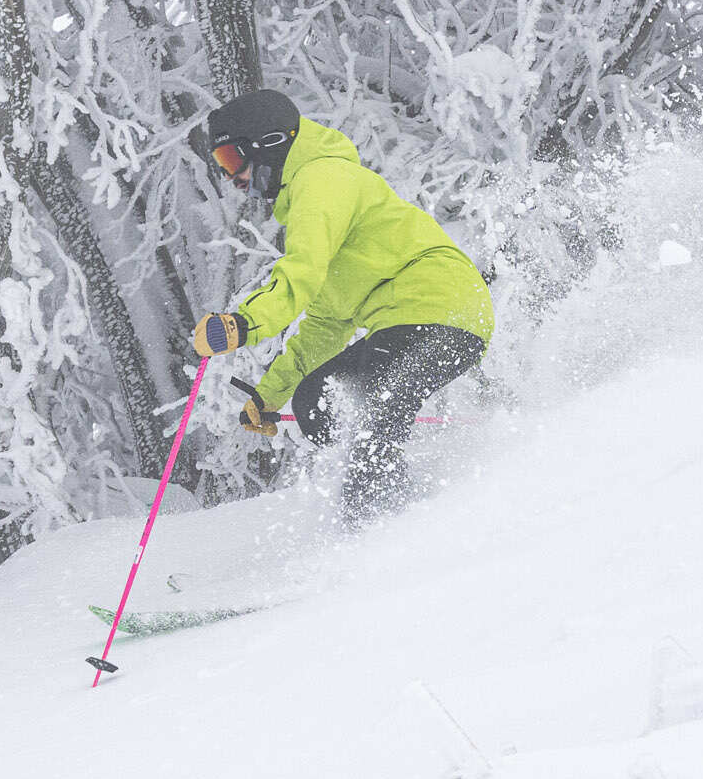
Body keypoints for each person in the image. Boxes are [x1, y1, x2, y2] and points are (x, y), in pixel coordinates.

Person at [183, 88, 493, 523]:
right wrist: (268, 396)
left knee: (348, 405)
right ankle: (405, 516)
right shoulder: (317, 196)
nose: (232, 178)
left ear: (269, 143)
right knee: (320, 405)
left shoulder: (323, 180)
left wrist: (242, 323)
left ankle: (384, 530)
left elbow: (301, 271)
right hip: (437, 316)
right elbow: (325, 324)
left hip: (434, 307)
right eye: (221, 168)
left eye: (233, 161)